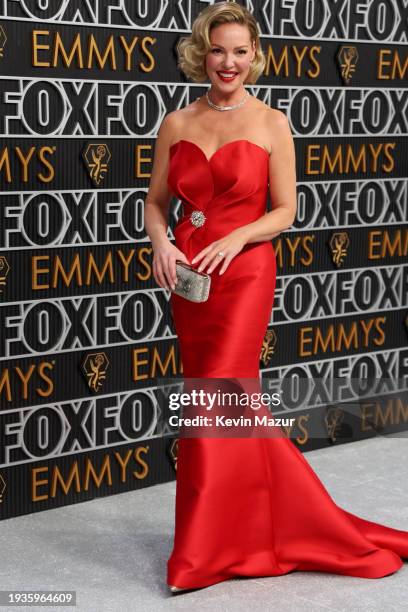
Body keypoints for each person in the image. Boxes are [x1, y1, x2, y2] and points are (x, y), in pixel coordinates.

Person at [144, 2, 408, 594]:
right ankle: (238, 531)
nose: (228, 62)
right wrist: (162, 245)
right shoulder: (176, 121)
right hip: (189, 279)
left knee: (222, 391)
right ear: (200, 54)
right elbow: (156, 203)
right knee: (212, 400)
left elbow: (286, 211)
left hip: (245, 274)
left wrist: (237, 235)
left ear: (254, 56)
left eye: (240, 51)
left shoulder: (272, 122)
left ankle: (205, 551)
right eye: (217, 50)